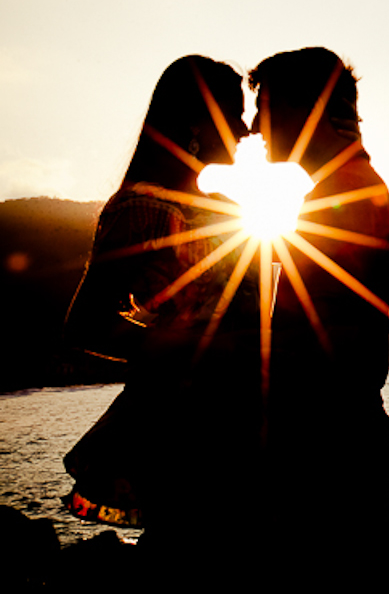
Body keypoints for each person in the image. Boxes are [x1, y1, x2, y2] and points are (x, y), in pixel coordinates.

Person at [247, 47, 389, 589]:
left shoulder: (348, 197)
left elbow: (327, 341)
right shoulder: (341, 191)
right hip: (339, 442)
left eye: (263, 109)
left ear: (306, 110)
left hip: (329, 451)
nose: (252, 128)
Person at [62, 56, 261, 564]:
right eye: (233, 115)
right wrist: (177, 348)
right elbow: (84, 324)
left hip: (245, 414)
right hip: (181, 426)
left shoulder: (228, 209)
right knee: (191, 556)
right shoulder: (142, 209)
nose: (245, 131)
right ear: (196, 123)